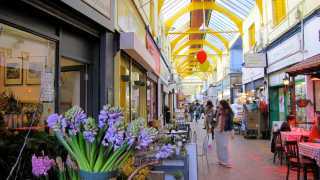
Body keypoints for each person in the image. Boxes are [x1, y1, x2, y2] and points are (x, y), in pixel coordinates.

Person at [215, 100, 234, 168]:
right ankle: (220, 160)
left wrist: (232, 131)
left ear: (223, 104)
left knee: (224, 146)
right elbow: (216, 120)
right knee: (219, 146)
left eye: (219, 104)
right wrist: (217, 112)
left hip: (225, 131)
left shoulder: (229, 112)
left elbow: (231, 123)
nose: (218, 105)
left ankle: (226, 161)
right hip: (217, 130)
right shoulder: (219, 111)